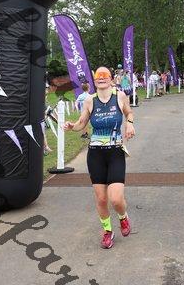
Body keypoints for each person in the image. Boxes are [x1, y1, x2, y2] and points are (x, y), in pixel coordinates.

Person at [63, 67, 135, 249]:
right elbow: (81, 123)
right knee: (102, 199)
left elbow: (129, 112)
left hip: (115, 152)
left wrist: (130, 124)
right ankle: (107, 231)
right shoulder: (89, 100)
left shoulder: (119, 96)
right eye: (98, 77)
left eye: (105, 76)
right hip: (95, 154)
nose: (101, 79)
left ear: (111, 79)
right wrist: (71, 126)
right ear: (94, 81)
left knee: (116, 199)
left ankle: (123, 217)